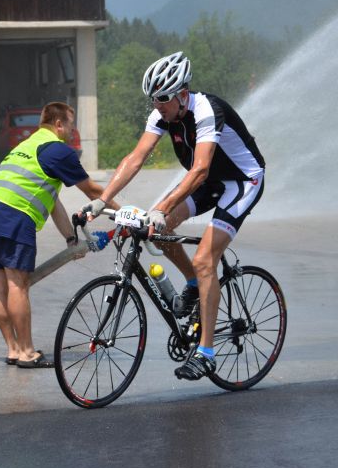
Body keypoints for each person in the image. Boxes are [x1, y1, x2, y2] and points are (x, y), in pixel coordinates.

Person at [80, 52, 265, 381]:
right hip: (209, 183)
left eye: (163, 99)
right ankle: (193, 282)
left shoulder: (206, 110)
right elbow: (135, 158)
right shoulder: (163, 115)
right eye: (153, 100)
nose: (157, 106)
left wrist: (163, 207)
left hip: (242, 181)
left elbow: (200, 169)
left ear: (182, 94)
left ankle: (206, 353)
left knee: (206, 258)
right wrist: (102, 199)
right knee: (155, 232)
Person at [0, 102, 118, 368]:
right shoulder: (58, 150)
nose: (73, 131)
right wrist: (127, 212)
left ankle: (13, 349)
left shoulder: (27, 145)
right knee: (17, 284)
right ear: (59, 124)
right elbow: (94, 192)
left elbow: (52, 200)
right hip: (12, 215)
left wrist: (71, 240)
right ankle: (27, 352)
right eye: (71, 125)